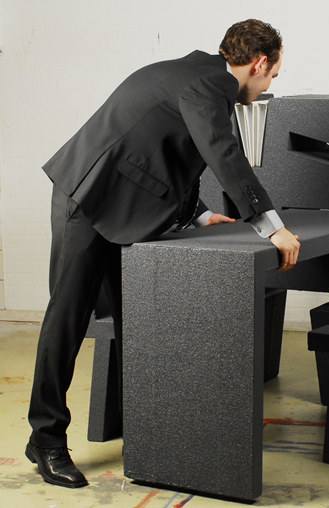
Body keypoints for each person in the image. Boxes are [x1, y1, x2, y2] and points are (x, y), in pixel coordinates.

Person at [26, 19, 300, 488]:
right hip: (89, 199)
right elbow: (221, 151)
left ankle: (148, 434)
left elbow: (168, 150)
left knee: (138, 322)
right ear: (259, 63)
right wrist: (271, 227)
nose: (270, 83)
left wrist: (198, 214)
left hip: (123, 205)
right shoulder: (210, 84)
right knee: (66, 321)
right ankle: (46, 440)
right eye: (273, 74)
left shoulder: (199, 75)